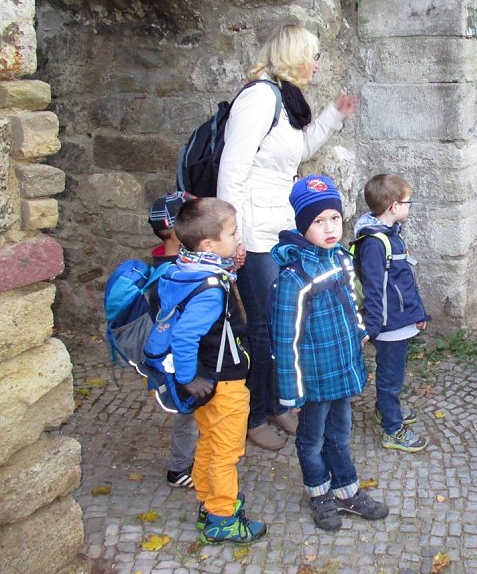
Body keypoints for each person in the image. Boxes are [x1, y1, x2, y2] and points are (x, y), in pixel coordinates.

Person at [217, 21, 358, 451]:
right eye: (313, 55)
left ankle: (279, 404)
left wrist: (333, 115)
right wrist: (232, 236)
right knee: (264, 328)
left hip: (277, 233)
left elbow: (295, 153)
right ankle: (255, 415)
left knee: (283, 325)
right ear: (294, 56)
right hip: (255, 236)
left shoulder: (283, 98)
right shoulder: (259, 98)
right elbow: (231, 170)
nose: (316, 64)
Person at [269, 175, 389, 532]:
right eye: (318, 221)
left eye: (334, 218)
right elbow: (284, 340)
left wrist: (360, 330)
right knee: (311, 440)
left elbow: (350, 300)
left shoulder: (339, 257)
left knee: (340, 433)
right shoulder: (294, 277)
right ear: (302, 226)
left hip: (341, 365)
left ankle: (346, 491)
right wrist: (292, 392)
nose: (329, 228)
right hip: (313, 377)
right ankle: (319, 494)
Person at [157, 197, 266, 544]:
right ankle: (222, 518)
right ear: (208, 244)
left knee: (208, 441)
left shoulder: (188, 268)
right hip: (224, 382)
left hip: (210, 379)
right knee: (226, 451)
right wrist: (188, 378)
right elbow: (185, 335)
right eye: (231, 233)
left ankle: (207, 499)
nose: (237, 238)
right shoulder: (209, 288)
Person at [353, 174, 431, 452]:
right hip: (389, 325)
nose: (410, 206)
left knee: (393, 373)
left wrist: (418, 313)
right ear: (394, 206)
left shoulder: (391, 234)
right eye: (408, 202)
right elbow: (374, 289)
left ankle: (385, 409)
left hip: (399, 319)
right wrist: (373, 327)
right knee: (390, 378)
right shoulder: (376, 243)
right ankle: (392, 429)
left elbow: (403, 281)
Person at [148, 191, 198, 488]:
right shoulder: (176, 272)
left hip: (176, 353)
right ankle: (178, 469)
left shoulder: (160, 258)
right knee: (187, 413)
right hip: (180, 358)